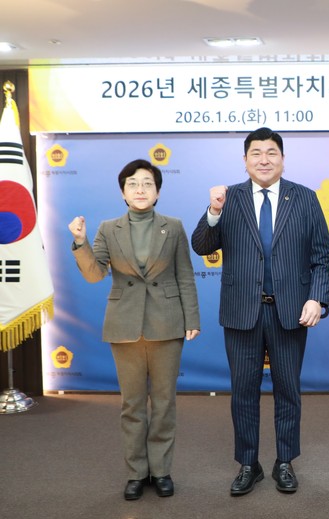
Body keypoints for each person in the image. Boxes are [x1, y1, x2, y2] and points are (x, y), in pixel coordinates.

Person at [191, 127, 329, 496]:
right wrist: (213, 212)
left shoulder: (304, 198)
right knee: (243, 392)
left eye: (272, 153)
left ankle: (284, 461)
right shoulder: (228, 198)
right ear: (245, 160)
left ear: (283, 159)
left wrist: (317, 298)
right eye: (256, 153)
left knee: (288, 390)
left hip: (290, 312)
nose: (264, 160)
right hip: (242, 312)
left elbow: (322, 257)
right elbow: (201, 245)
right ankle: (248, 464)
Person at [68, 159, 200, 501]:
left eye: (147, 184)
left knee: (165, 403)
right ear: (123, 192)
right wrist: (81, 242)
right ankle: (136, 473)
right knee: (132, 405)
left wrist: (192, 319)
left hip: (167, 323)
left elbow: (185, 275)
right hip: (124, 325)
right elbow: (95, 274)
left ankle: (162, 470)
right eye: (132, 184)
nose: (140, 189)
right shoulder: (108, 228)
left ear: (157, 192)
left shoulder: (174, 227)